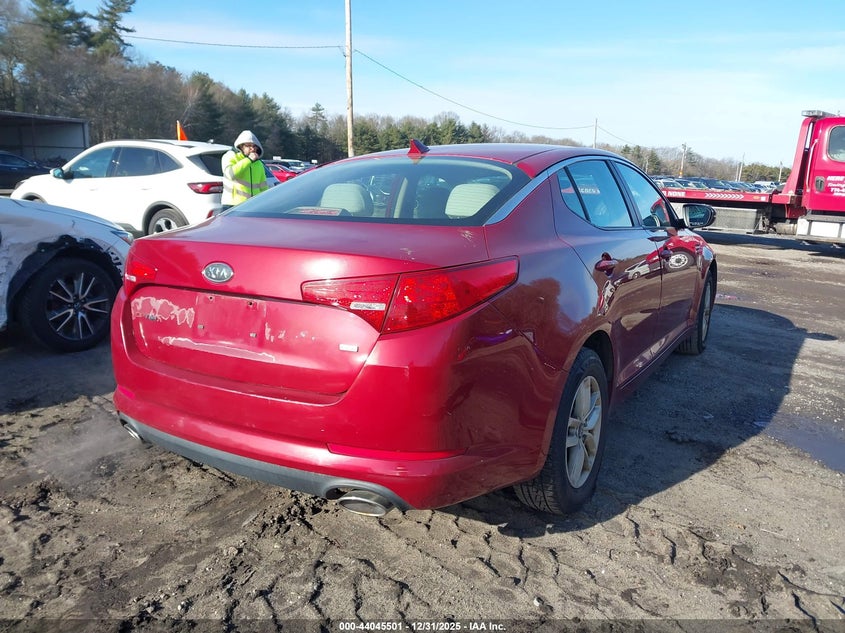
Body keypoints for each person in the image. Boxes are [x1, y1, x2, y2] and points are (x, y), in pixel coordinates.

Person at [221, 130, 270, 208]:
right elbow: (231, 175)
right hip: (233, 205)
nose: (252, 149)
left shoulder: (258, 163)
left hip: (254, 205)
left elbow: (263, 186)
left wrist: (266, 202)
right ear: (241, 146)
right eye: (248, 146)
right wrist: (249, 160)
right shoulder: (230, 156)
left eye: (254, 146)